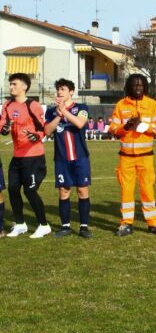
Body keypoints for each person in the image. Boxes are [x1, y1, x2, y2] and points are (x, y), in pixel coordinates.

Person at [110, 73, 156, 236]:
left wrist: (143, 125)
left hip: (146, 156)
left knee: (148, 190)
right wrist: (126, 126)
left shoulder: (152, 104)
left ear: (145, 87)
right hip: (126, 156)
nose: (138, 87)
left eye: (141, 85)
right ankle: (126, 224)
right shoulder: (121, 105)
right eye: (135, 85)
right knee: (126, 191)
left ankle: (153, 223)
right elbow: (112, 128)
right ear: (129, 86)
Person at [1, 73, 50, 238]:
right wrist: (5, 128)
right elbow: (2, 128)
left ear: (24, 86)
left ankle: (44, 225)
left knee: (29, 191)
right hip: (17, 155)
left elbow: (42, 129)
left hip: (34, 155)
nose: (11, 87)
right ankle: (20, 223)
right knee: (13, 189)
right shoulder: (7, 105)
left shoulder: (33, 105)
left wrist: (35, 136)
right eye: (10, 84)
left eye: (14, 84)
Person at [43, 79, 93, 238]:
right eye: (58, 89)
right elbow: (47, 131)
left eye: (63, 89)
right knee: (64, 191)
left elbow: (79, 123)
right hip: (62, 158)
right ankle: (65, 226)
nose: (59, 92)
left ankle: (84, 226)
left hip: (80, 157)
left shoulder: (82, 108)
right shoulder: (51, 111)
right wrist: (58, 115)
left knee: (82, 190)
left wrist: (64, 112)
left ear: (71, 92)